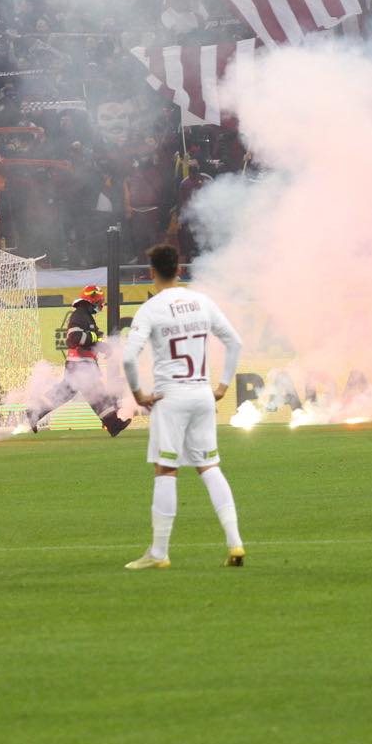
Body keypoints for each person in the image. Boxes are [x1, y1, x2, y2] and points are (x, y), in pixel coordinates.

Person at [120, 244, 245, 570]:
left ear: (152, 272)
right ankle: (235, 542)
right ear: (179, 268)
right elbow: (235, 341)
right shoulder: (202, 301)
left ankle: (159, 553)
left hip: (170, 398)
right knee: (210, 467)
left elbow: (128, 357)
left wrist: (137, 393)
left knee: (166, 469)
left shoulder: (151, 308)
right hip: (202, 394)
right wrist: (223, 385)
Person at [23, 284, 131, 437]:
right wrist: (96, 338)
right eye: (100, 301)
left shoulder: (84, 315)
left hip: (80, 363)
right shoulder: (80, 315)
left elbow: (86, 341)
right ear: (92, 300)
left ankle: (34, 412)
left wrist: (102, 346)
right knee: (96, 394)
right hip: (80, 364)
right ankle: (114, 425)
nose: (101, 305)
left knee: (66, 392)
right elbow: (76, 338)